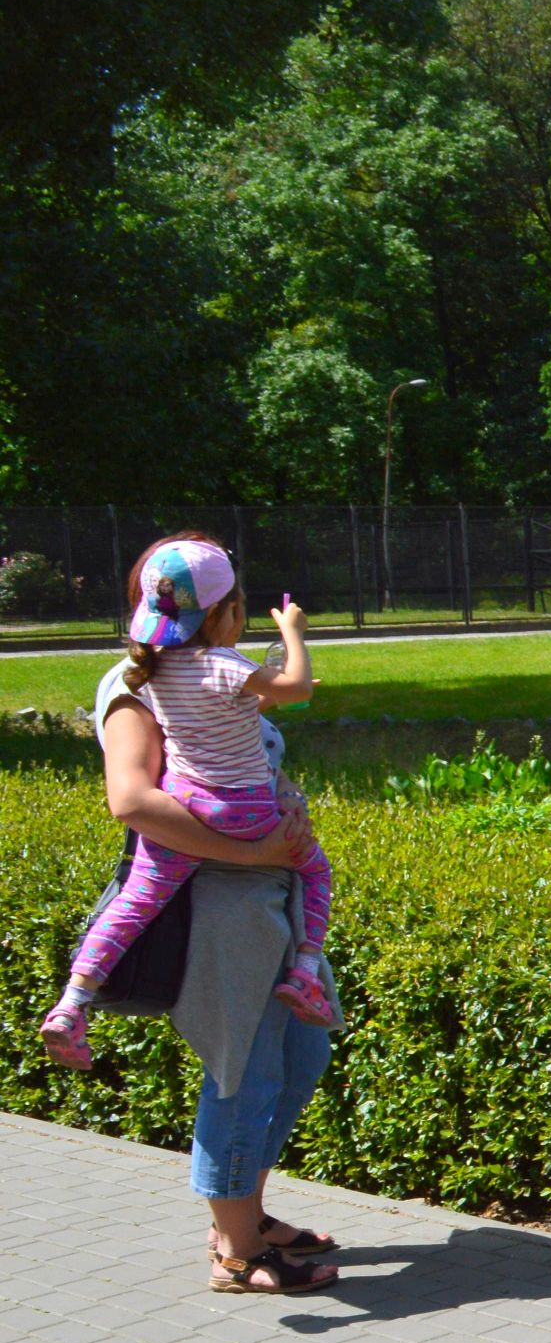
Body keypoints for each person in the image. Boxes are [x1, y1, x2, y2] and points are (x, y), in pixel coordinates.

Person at [85, 634, 342, 1294]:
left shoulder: (217, 674)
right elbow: (133, 801)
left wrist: (284, 807)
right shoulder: (137, 685)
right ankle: (235, 1251)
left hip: (274, 903)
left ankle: (245, 1215)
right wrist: (258, 852)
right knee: (243, 1075)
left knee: (301, 1060)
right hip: (221, 914)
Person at [44, 537, 335, 1067]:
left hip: (190, 801)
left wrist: (263, 712)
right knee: (316, 869)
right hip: (242, 820)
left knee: (134, 904)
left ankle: (73, 1001)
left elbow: (207, 713)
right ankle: (306, 972)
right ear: (224, 613)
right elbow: (297, 687)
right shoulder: (223, 662)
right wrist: (292, 632)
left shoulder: (154, 671)